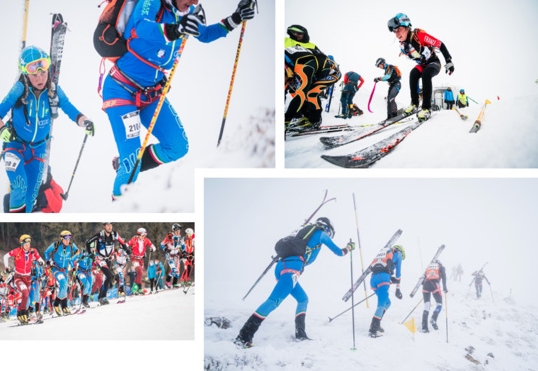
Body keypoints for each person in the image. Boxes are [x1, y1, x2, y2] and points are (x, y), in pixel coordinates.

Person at [103, 0, 255, 200]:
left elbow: (206, 34)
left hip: (151, 93)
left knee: (177, 146)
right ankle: (117, 207)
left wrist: (235, 19)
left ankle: (125, 164)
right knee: (131, 161)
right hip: (121, 89)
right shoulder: (151, 2)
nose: (194, 2)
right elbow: (141, 27)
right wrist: (174, 30)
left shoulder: (188, 11)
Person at [0, 45, 95, 213]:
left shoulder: (53, 90)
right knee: (19, 185)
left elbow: (70, 108)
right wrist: (2, 129)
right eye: (34, 74)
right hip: (15, 146)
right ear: (26, 74)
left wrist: (85, 122)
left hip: (38, 150)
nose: (40, 78)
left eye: (43, 72)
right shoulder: (19, 89)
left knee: (31, 197)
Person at [235, 217, 355, 348]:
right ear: (328, 229)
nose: (329, 235)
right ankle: (243, 337)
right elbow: (339, 252)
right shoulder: (321, 234)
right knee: (273, 301)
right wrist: (349, 247)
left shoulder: (302, 233)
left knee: (303, 299)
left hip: (282, 266)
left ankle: (300, 334)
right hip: (292, 268)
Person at [388, 13, 454, 122]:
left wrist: (448, 61)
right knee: (413, 74)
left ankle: (426, 108)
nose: (397, 33)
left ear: (407, 27)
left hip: (433, 63)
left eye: (399, 29)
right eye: (395, 31)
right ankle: (414, 104)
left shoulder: (420, 36)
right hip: (423, 64)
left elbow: (440, 44)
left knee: (426, 75)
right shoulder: (403, 44)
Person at [284, 48, 340, 130]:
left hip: (333, 73)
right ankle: (306, 116)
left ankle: (315, 121)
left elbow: (301, 94)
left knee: (310, 93)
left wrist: (286, 119)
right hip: (315, 70)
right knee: (293, 90)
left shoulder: (302, 67)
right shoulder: (287, 60)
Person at [3, 234, 45, 324]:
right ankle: (22, 314)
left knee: (28, 297)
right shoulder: (17, 251)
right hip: (19, 277)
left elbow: (41, 260)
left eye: (29, 244)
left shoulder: (33, 251)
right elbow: (5, 256)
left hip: (28, 278)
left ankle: (24, 313)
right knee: (25, 294)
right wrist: (7, 268)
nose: (28, 246)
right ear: (22, 244)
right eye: (26, 244)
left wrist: (41, 262)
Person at [86, 223, 127, 305]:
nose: (109, 227)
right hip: (100, 259)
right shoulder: (99, 235)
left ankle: (100, 296)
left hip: (109, 259)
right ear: (104, 226)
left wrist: (127, 250)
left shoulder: (114, 234)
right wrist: (90, 253)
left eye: (111, 225)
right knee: (109, 276)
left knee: (107, 279)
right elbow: (88, 242)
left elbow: (122, 242)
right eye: (108, 225)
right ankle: (103, 297)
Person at [368, 244, 405, 338]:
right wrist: (398, 289)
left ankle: (377, 322)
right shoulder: (398, 254)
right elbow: (398, 273)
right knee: (381, 305)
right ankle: (373, 329)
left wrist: (390, 279)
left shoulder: (383, 254)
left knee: (387, 303)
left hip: (373, 279)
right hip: (383, 279)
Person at [44, 230, 80, 316]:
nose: (68, 240)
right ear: (62, 238)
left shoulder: (71, 245)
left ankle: (64, 306)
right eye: (66, 239)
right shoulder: (56, 245)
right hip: (56, 269)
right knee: (63, 284)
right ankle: (56, 304)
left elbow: (78, 252)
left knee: (65, 288)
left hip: (65, 270)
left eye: (69, 238)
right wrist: (48, 261)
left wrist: (72, 259)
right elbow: (46, 252)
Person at [127, 227, 156, 295]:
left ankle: (134, 290)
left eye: (145, 235)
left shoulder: (146, 240)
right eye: (142, 235)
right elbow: (126, 245)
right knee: (139, 270)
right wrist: (126, 250)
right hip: (134, 258)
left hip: (141, 259)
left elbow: (154, 247)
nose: (143, 237)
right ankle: (139, 289)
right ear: (139, 234)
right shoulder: (134, 239)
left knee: (139, 273)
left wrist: (152, 249)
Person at [421, 260, 447, 332]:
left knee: (427, 306)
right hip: (435, 284)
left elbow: (423, 278)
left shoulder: (428, 267)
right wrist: (445, 287)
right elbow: (444, 276)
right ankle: (433, 318)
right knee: (439, 304)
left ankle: (424, 327)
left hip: (426, 285)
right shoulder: (441, 267)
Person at [374, 57, 402, 121]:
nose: (379, 67)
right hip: (392, 85)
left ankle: (395, 115)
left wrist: (379, 78)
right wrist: (378, 80)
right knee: (388, 101)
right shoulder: (386, 70)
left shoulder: (390, 67)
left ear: (382, 63)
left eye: (379, 65)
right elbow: (387, 78)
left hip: (396, 84)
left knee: (391, 98)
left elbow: (388, 76)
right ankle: (389, 116)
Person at [161, 223, 186, 288]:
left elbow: (183, 246)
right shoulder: (169, 236)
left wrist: (184, 252)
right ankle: (168, 281)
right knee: (174, 270)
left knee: (177, 271)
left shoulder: (180, 237)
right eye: (176, 230)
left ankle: (174, 283)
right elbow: (161, 244)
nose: (178, 232)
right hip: (169, 256)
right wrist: (165, 249)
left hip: (176, 256)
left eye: (179, 230)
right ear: (173, 230)